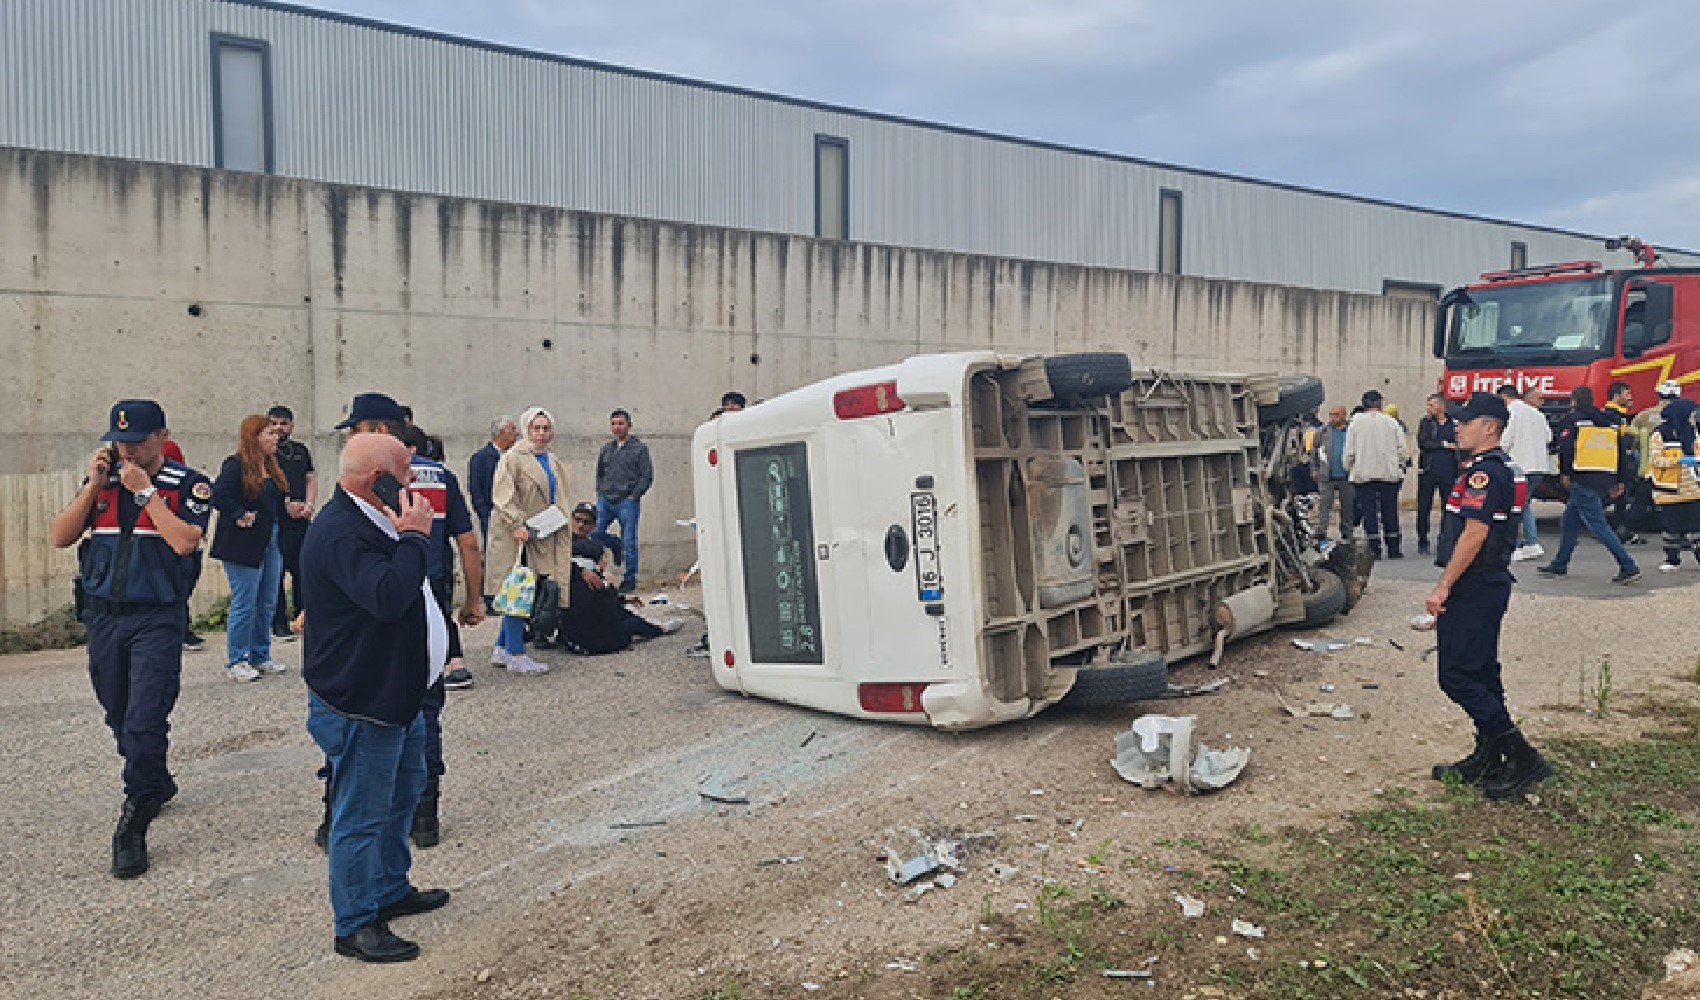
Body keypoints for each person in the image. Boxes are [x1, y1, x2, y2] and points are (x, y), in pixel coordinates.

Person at [301, 431, 450, 963]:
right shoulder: (343, 532)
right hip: (362, 699)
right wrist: (414, 537)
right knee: (361, 812)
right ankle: (356, 923)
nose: (413, 483)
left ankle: (390, 888)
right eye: (405, 473)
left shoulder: (374, 516)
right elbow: (388, 598)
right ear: (375, 480)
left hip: (398, 693)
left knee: (403, 792)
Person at [49, 399, 211, 878]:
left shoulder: (188, 484)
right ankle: (154, 778)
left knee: (144, 717)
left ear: (162, 436)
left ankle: (134, 819)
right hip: (103, 619)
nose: (129, 450)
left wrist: (146, 495)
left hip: (156, 619)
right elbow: (59, 537)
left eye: (138, 440)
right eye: (121, 441)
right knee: (118, 711)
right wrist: (93, 489)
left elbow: (185, 541)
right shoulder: (102, 482)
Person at [1425, 391, 1552, 800]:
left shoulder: (1485, 473)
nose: (1457, 426)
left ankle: (1520, 755)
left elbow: (1475, 532)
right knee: (1480, 671)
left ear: (1489, 427)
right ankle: (1490, 753)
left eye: (1465, 421)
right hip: (1488, 581)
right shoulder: (1499, 468)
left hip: (1475, 583)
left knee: (1457, 675)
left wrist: (1444, 584)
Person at [487, 406, 573, 674]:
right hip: (520, 535)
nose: (541, 433)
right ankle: (515, 652)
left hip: (543, 532)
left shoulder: (551, 460)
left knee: (524, 589)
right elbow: (502, 496)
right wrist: (517, 522)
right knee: (519, 591)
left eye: (546, 428)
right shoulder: (513, 458)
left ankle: (503, 647)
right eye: (536, 428)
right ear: (526, 429)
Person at [209, 415, 289, 682]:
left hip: (270, 537)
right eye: (269, 433)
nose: (276, 437)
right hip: (242, 542)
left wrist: (291, 509)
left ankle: (260, 654)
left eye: (276, 433)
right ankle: (237, 659)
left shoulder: (271, 466)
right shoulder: (236, 465)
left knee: (267, 601)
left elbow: (274, 502)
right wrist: (239, 513)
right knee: (245, 602)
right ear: (254, 437)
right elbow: (218, 493)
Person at [1539, 385, 1641, 583]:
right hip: (1605, 475)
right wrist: (1620, 479)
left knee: (1598, 525)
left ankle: (1628, 566)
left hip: (1583, 475)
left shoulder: (1574, 421)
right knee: (1569, 520)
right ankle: (1560, 564)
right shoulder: (1610, 422)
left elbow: (1566, 448)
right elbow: (1620, 451)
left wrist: (1565, 473)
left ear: (1574, 401)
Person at [558, 502, 680, 653]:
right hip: (587, 631)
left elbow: (598, 594)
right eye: (577, 520)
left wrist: (621, 598)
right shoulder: (564, 545)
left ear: (594, 525)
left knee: (625, 615)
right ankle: (658, 629)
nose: (581, 525)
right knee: (627, 623)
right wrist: (582, 571)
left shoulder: (593, 548)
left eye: (586, 522)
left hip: (591, 614)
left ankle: (658, 628)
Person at [268, 406, 317, 643]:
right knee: (275, 573)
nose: (279, 428)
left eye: (283, 423)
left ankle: (302, 617)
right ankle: (278, 622)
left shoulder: (300, 451)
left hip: (301, 521)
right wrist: (286, 505)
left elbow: (310, 478)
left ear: (291, 425)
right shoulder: (267, 453)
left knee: (302, 571)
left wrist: (308, 505)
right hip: (278, 519)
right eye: (274, 423)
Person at [594, 408, 654, 593]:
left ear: (629, 425)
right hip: (606, 500)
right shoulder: (607, 449)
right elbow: (600, 473)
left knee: (629, 541)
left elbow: (646, 476)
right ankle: (613, 545)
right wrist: (601, 492)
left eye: (621, 423)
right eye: (613, 424)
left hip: (627, 502)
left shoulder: (640, 449)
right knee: (594, 534)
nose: (617, 427)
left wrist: (634, 495)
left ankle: (629, 580)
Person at [1344, 389, 1408, 559]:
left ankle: (1374, 549)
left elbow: (1349, 452)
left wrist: (1349, 467)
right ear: (1379, 404)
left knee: (1369, 513)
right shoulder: (1391, 423)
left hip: (1363, 474)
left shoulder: (1355, 423)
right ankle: (1394, 548)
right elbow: (1402, 450)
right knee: (1390, 511)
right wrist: (1401, 465)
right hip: (1389, 474)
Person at [161, 430, 209, 653]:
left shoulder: (184, 479)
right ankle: (181, 631)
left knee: (181, 592)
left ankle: (182, 630)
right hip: (170, 546)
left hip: (183, 540)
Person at [1648, 387, 1700, 572]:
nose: (1693, 417)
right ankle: (1672, 559)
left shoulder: (1692, 433)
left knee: (1697, 527)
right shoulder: (1659, 434)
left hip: (1692, 489)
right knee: (1672, 527)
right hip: (1668, 490)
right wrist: (1677, 460)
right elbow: (1655, 460)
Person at [1499, 384, 1551, 560]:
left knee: (1521, 505)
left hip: (1520, 465)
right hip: (1538, 466)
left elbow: (1506, 439)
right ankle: (1528, 541)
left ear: (1504, 398)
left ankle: (1530, 542)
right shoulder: (1537, 414)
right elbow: (1549, 437)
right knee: (1524, 503)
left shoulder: (1512, 412)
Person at [1414, 394, 1459, 557]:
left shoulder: (1454, 423)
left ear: (1441, 407)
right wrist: (1444, 445)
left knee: (1448, 507)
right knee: (1424, 507)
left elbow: (1459, 444)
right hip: (1429, 471)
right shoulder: (1426, 423)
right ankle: (1423, 540)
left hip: (1449, 471)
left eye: (1432, 405)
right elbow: (1423, 443)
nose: (1429, 408)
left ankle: (1445, 540)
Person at [468, 415, 517, 548]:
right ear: (502, 433)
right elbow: (476, 491)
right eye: (512, 430)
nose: (516, 434)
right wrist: (486, 517)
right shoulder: (481, 458)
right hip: (493, 519)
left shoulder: (514, 458)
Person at [1604, 380, 1644, 542]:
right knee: (1617, 496)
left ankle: (1618, 530)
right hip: (1616, 463)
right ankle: (1616, 531)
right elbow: (1619, 443)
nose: (1630, 397)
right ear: (1616, 395)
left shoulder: (1618, 415)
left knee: (1621, 498)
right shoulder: (1612, 416)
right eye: (1627, 394)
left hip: (1619, 462)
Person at [1312, 405, 1354, 544]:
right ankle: (1322, 531)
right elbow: (1315, 452)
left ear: (1344, 415)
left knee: (1347, 506)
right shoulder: (1322, 432)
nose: (1333, 418)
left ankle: (1347, 533)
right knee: (1325, 505)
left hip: (1347, 475)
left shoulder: (1351, 431)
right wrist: (1315, 468)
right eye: (1331, 414)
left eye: (1336, 414)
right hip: (1327, 475)